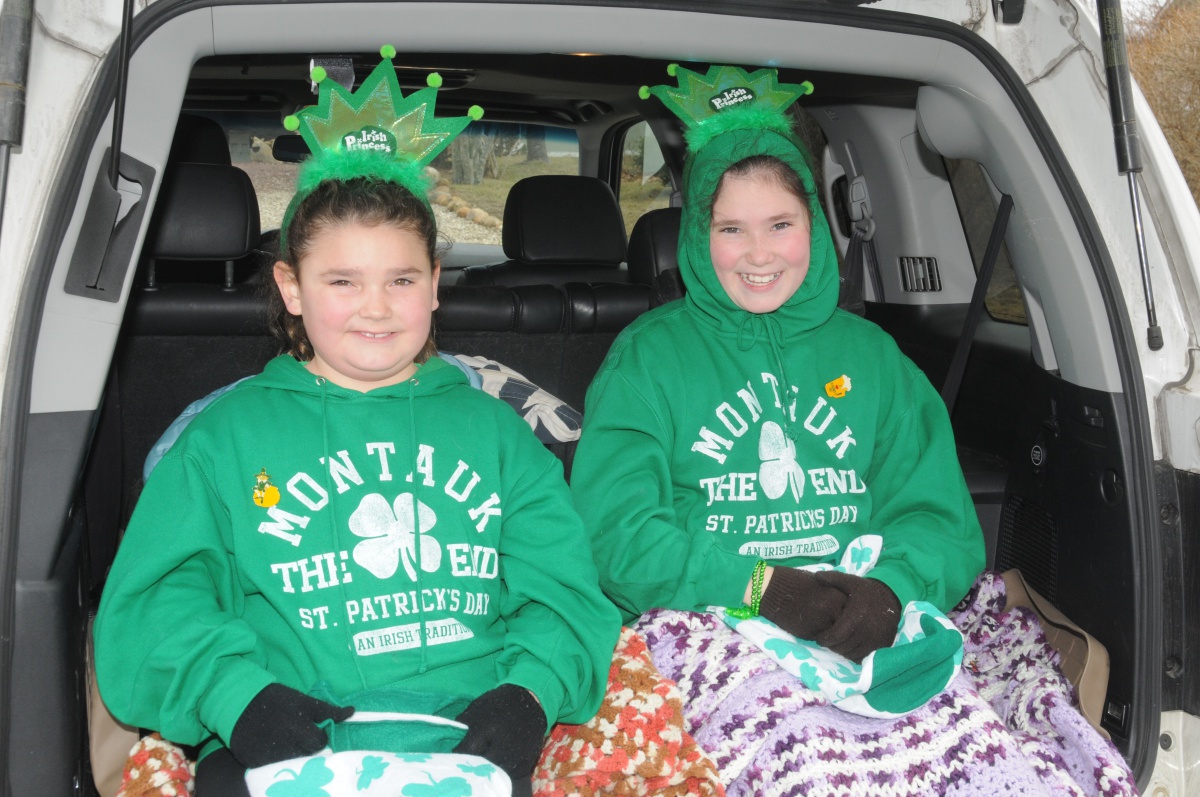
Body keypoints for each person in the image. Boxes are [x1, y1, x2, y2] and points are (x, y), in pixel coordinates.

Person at [94, 48, 620, 797]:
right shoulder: (219, 439)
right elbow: (154, 603)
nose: (376, 307)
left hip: (479, 741)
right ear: (292, 288)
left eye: (401, 279)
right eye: (342, 281)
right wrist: (237, 697)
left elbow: (564, 592)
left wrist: (531, 694)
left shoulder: (499, 433)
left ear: (435, 286)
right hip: (285, 741)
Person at [571, 63, 985, 695]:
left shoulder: (873, 357)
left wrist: (890, 591)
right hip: (706, 622)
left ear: (814, 224)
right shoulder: (647, 359)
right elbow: (616, 536)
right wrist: (763, 588)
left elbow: (938, 516)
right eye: (731, 229)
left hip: (860, 623)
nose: (759, 254)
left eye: (780, 225)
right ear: (698, 234)